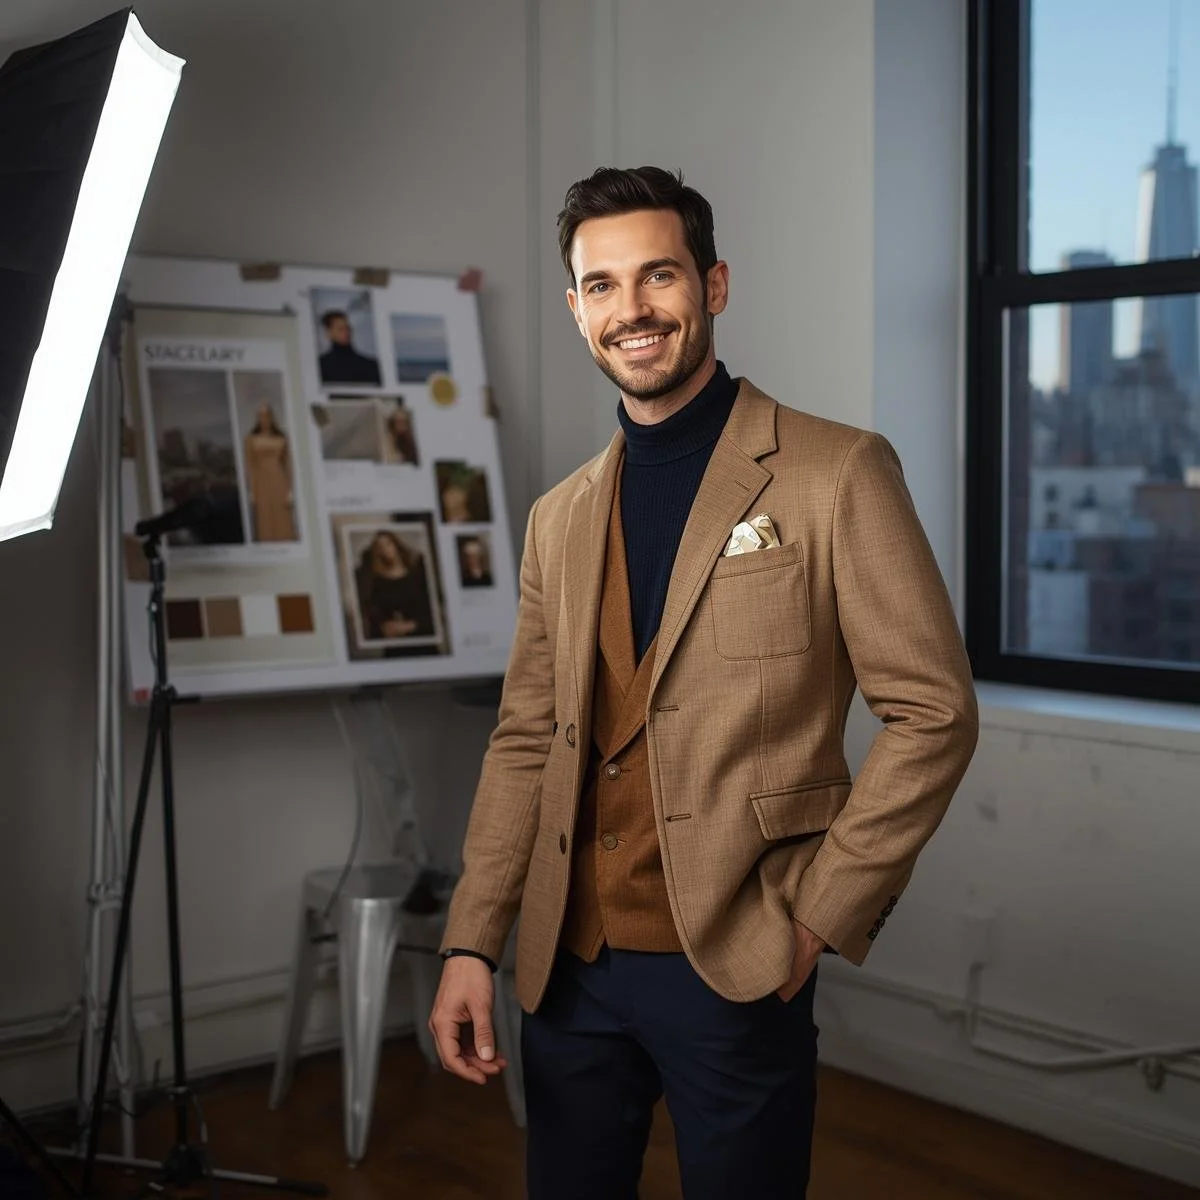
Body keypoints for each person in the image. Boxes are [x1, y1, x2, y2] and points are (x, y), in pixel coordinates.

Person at [429, 167, 979, 1200]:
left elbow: (934, 713)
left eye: (658, 277)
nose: (630, 311)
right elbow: (526, 739)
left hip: (739, 955)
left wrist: (820, 911)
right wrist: (473, 939)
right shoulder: (559, 516)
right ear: (576, 308)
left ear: (713, 286)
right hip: (565, 968)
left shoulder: (836, 471)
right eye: (601, 286)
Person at [354, 530, 434, 641]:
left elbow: (431, 612)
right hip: (394, 643)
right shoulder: (376, 583)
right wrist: (384, 629)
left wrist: (410, 626)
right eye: (380, 547)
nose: (385, 550)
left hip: (422, 638)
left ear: (396, 545)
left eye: (388, 544)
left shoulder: (418, 575)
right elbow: (373, 618)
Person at [243, 404, 296, 542]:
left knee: (282, 516)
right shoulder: (251, 439)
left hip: (279, 479)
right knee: (264, 517)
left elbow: (287, 464)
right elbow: (250, 465)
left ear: (271, 417)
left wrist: (290, 490)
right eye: (260, 415)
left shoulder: (282, 438)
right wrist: (251, 490)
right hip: (260, 482)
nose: (263, 419)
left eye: (266, 415)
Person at [318, 309, 382, 385]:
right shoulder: (321, 365)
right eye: (340, 329)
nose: (346, 332)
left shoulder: (370, 365)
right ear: (328, 333)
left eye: (347, 328)